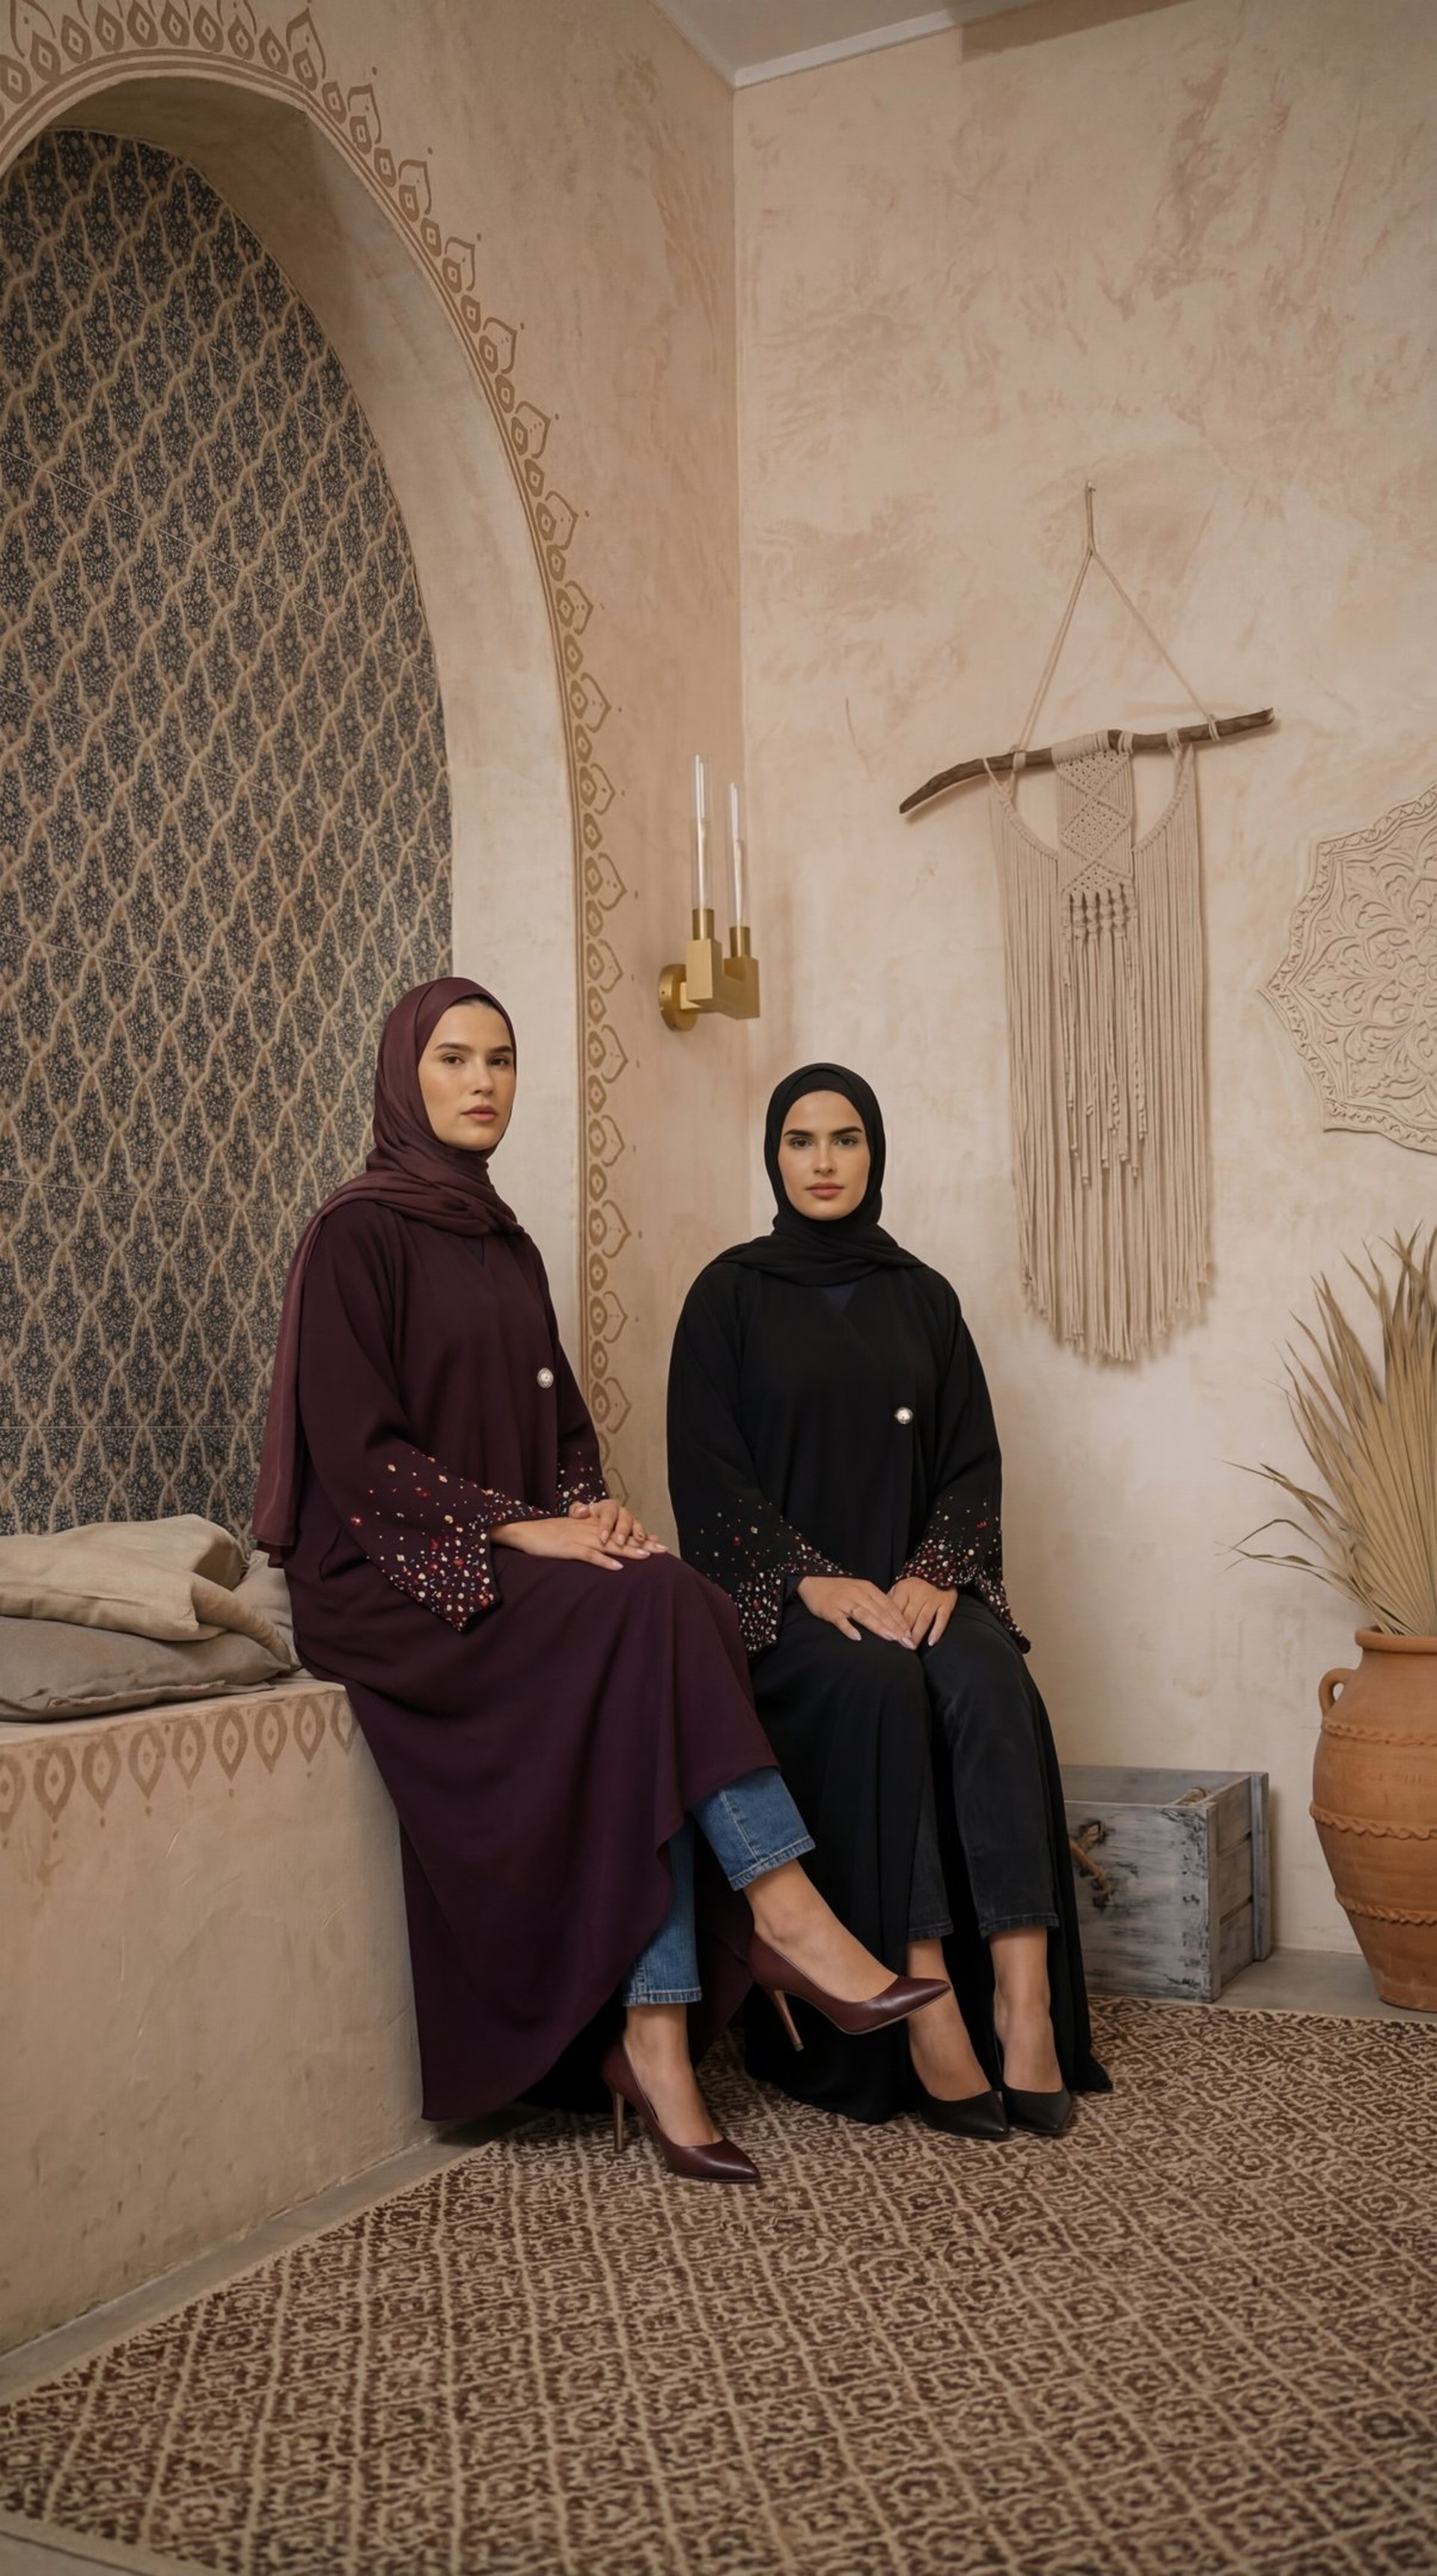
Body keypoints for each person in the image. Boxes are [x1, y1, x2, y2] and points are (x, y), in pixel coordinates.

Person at [253, 984, 945, 2187]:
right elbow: (359, 1458)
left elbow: (564, 1425)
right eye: (453, 1058)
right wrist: (523, 1527)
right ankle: (784, 1914)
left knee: (671, 1603)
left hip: (501, 1554)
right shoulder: (355, 1234)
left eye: (501, 1059)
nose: (483, 1081)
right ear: (404, 1075)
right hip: (389, 1578)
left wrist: (589, 1509)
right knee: (663, 1609)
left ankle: (659, 2040)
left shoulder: (502, 1240)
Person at [667, 1063, 1109, 2140]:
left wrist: (936, 1569)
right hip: (793, 1613)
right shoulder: (728, 1295)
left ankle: (1024, 2005)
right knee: (880, 1685)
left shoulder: (925, 1296)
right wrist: (808, 1578)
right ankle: (929, 2004)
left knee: (990, 1677)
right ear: (774, 1156)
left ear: (875, 1152)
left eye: (846, 1138)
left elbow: (971, 1462)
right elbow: (708, 1478)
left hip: (916, 1589)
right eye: (801, 1140)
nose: (824, 1161)